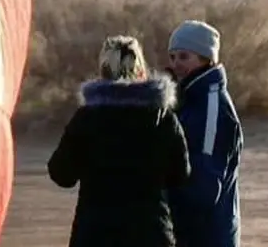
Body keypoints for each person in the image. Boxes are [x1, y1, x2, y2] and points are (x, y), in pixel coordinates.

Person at [48, 35, 191, 247]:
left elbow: (61, 174)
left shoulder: (87, 118)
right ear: (141, 69)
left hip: (96, 234)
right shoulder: (162, 118)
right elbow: (181, 174)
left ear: (103, 70)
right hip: (151, 234)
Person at [165, 20, 242, 247]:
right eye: (173, 56)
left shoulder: (213, 107)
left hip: (207, 237)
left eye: (184, 56)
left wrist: (162, 196)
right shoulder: (189, 100)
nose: (177, 64)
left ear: (206, 58)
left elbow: (205, 189)